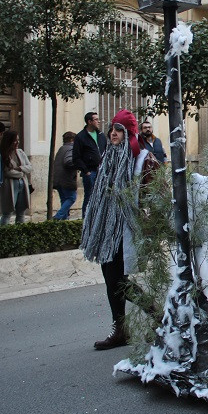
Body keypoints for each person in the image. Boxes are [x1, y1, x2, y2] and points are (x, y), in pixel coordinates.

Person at [81, 109, 154, 350]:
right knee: (111, 279)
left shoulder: (144, 159)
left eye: (119, 129)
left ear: (129, 132)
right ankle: (121, 328)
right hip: (106, 230)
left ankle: (158, 315)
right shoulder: (108, 157)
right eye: (112, 128)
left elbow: (156, 197)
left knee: (117, 281)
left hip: (126, 229)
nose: (113, 133)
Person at [73, 112, 107, 217]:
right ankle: (86, 219)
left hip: (102, 171)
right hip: (90, 172)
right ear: (89, 122)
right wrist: (86, 171)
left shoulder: (101, 135)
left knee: (102, 196)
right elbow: (76, 157)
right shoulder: (80, 137)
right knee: (89, 196)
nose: (99, 121)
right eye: (96, 119)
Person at [0, 130, 32, 225]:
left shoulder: (20, 152)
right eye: (15, 140)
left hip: (22, 184)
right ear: (9, 141)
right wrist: (21, 173)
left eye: (18, 140)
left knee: (21, 212)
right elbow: (7, 172)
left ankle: (19, 234)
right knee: (7, 213)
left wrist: (20, 168)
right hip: (9, 185)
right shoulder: (3, 154)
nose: (17, 142)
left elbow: (29, 167)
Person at [52, 131, 78, 220]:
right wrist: (78, 164)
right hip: (67, 179)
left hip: (58, 179)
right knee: (71, 198)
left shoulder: (61, 148)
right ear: (72, 140)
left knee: (64, 200)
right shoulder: (71, 149)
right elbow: (69, 161)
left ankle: (64, 220)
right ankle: (58, 216)